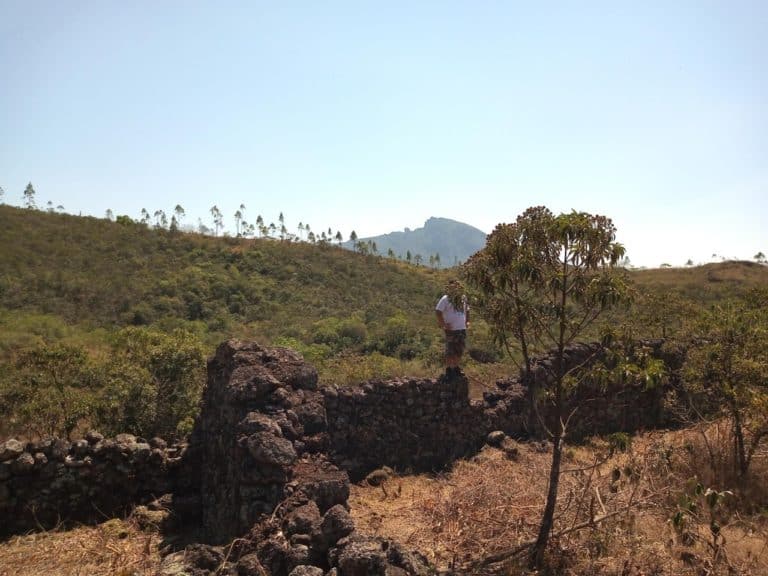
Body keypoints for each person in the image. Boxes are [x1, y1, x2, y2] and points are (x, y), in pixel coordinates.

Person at [435, 280, 469, 377]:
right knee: (450, 350)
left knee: (459, 349)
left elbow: (467, 310)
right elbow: (438, 311)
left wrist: (467, 321)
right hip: (451, 330)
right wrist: (443, 324)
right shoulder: (445, 298)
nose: (454, 289)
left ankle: (456, 368)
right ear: (449, 288)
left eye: (456, 287)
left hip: (461, 328)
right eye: (452, 287)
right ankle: (449, 369)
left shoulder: (463, 297)